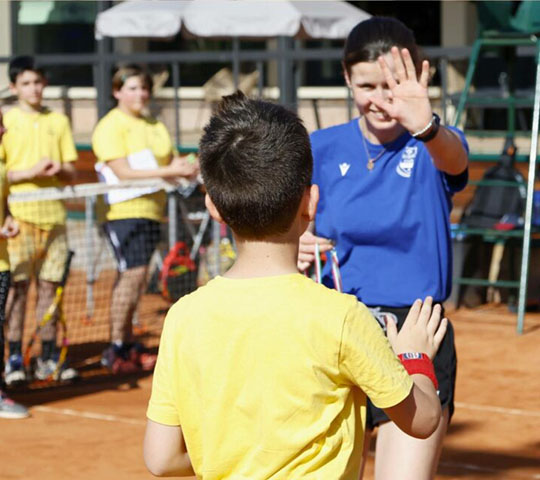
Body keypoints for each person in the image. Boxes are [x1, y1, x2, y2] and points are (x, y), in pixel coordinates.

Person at [143, 91, 448, 478]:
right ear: (311, 203)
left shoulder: (183, 316)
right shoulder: (342, 316)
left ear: (213, 207)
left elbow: (161, 458)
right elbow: (421, 420)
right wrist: (414, 356)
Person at [298, 18, 469, 480]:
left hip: (413, 330)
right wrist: (294, 244)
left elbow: (455, 160)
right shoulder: (320, 148)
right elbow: (281, 222)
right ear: (346, 79)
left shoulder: (434, 144)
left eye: (393, 84)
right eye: (367, 85)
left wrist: (427, 126)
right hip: (336, 328)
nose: (380, 99)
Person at [92, 65, 199, 374]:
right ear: (117, 91)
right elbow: (123, 173)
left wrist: (187, 165)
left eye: (144, 88)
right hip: (122, 213)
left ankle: (127, 342)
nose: (140, 94)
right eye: (132, 88)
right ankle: (116, 347)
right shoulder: (110, 126)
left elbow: (171, 162)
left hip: (154, 210)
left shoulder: (155, 124)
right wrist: (170, 171)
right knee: (133, 275)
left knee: (138, 278)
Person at [0, 56, 79, 384]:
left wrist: (59, 170)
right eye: (27, 83)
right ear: (14, 87)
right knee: (17, 292)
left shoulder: (58, 121)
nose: (34, 89)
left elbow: (73, 171)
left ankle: (47, 358)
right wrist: (28, 173)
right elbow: (3, 174)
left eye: (38, 82)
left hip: (54, 218)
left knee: (50, 290)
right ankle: (14, 358)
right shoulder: (6, 120)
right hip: (19, 218)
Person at [0, 109, 29, 418]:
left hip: (2, 260)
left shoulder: (2, 163)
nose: (4, 130)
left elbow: (3, 204)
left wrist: (7, 221)